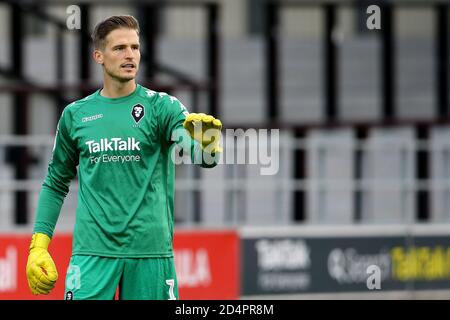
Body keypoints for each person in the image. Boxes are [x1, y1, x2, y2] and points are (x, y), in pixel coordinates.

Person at [25, 15, 222, 300]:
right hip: (92, 254)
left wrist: (206, 147)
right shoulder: (76, 115)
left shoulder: (162, 107)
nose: (130, 54)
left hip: (150, 254)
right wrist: (39, 247)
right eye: (119, 48)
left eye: (135, 47)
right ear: (99, 56)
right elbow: (55, 183)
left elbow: (196, 150)